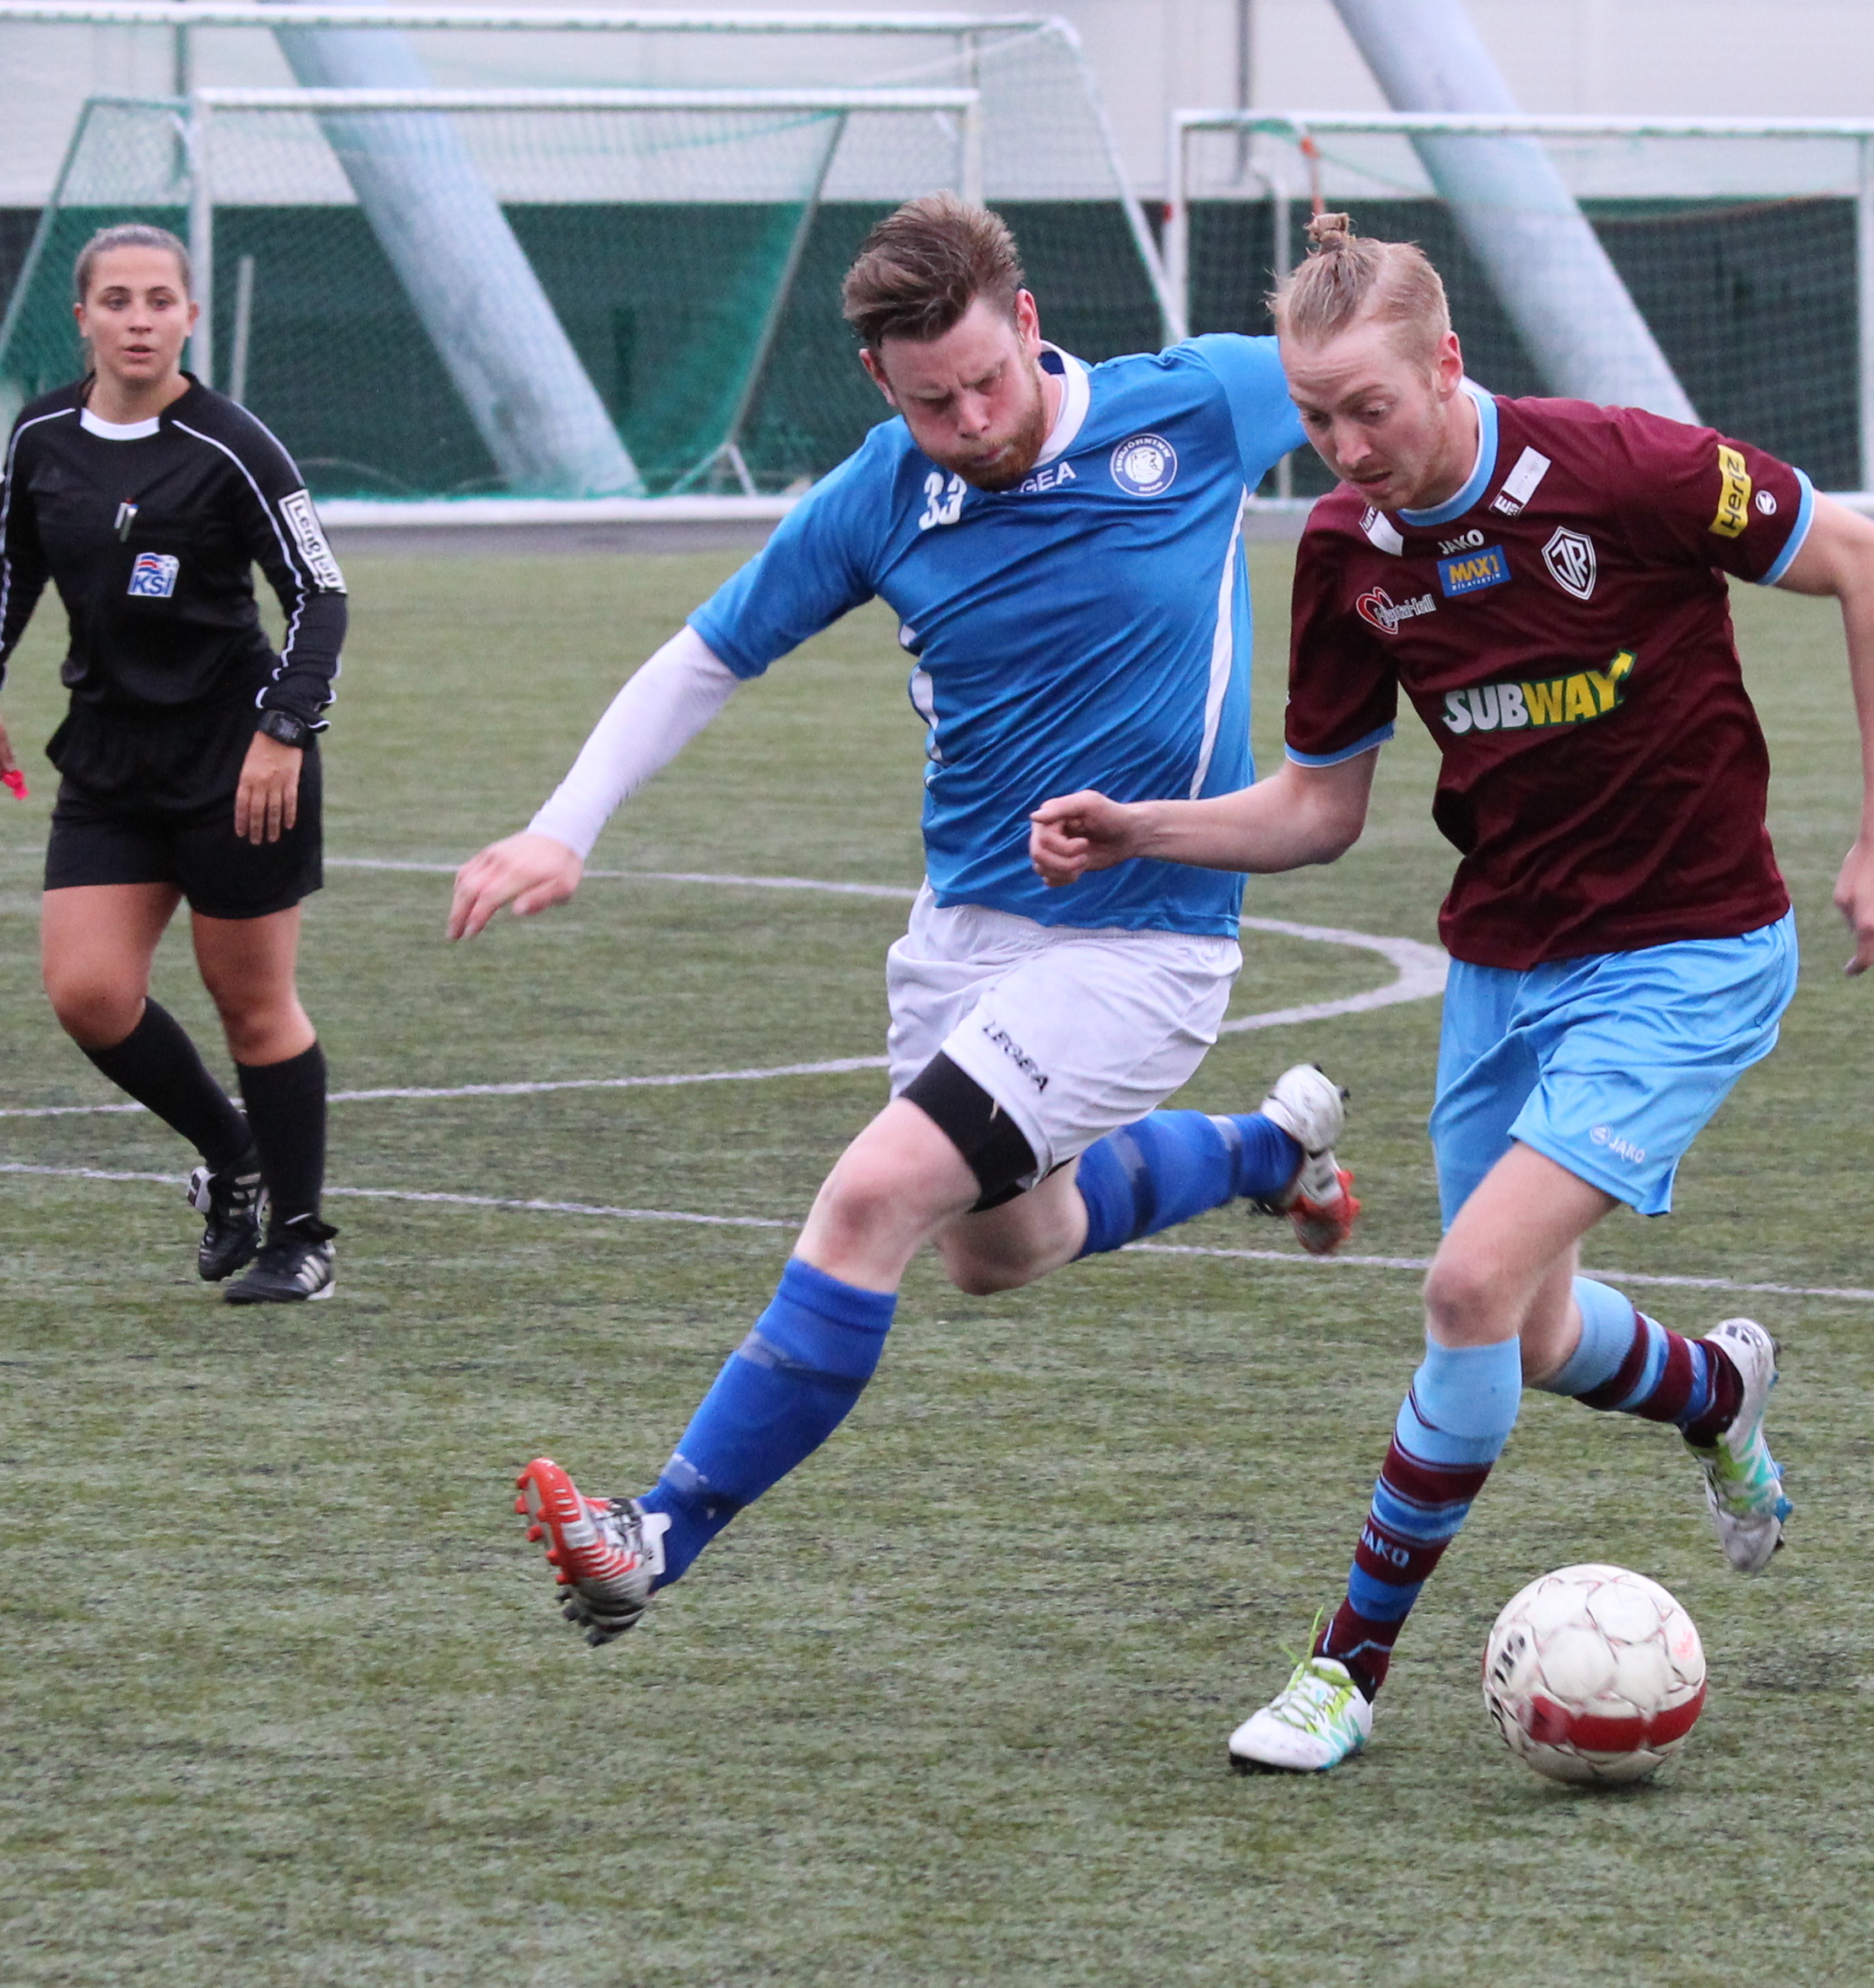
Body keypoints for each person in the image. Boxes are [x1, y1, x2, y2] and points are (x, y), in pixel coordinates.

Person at [1028, 214, 1874, 1771]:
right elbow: (1321, 810)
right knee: (1533, 1330)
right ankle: (1716, 1389)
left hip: (1691, 952)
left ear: (1447, 363)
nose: (1344, 448)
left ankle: (1341, 1672)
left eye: (1369, 409)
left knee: (1462, 1289)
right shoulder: (1346, 555)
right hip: (1503, 964)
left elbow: (1871, 562)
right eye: (1315, 418)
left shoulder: (1623, 470)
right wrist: (1138, 829)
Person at [450, 196, 1361, 1645]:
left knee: (872, 1196)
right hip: (962, 945)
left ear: (1030, 326)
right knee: (1000, 1250)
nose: (971, 421)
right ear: (880, 381)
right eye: (932, 401)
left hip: (1144, 945)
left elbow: (1394, 377)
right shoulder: (884, 491)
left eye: (988, 380)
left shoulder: (1193, 406)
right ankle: (1270, 1150)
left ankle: (653, 1534)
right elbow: (706, 655)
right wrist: (568, 822)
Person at [0, 222, 351, 1305]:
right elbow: (8, 560)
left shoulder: (234, 446)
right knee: (88, 993)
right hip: (109, 759)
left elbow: (319, 596)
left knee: (250, 1003)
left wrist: (284, 730)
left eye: (159, 301)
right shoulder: (42, 434)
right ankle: (234, 1156)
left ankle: (300, 1238)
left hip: (236, 762)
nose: (138, 320)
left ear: (189, 318)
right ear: (81, 317)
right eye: (116, 301)